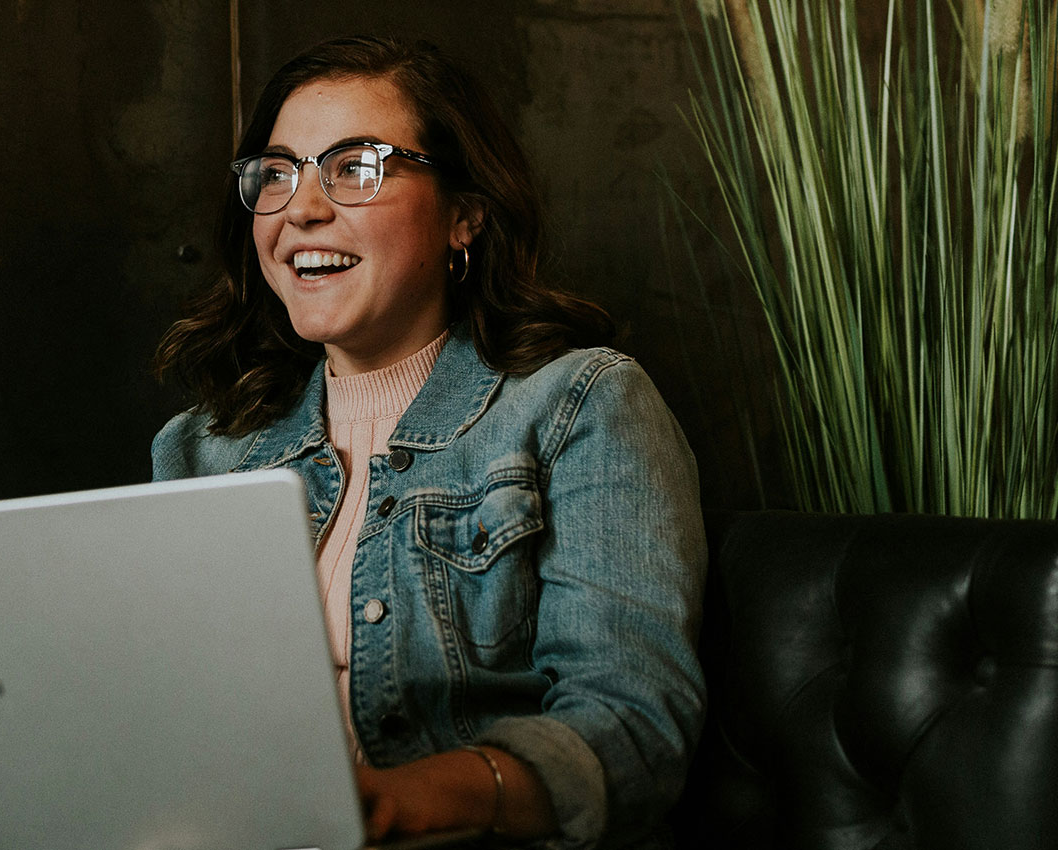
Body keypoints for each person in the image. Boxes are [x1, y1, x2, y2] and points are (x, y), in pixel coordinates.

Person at [151, 35, 705, 850]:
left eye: (353, 167)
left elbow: (629, 730)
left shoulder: (581, 402)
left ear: (464, 215)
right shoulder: (200, 448)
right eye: (277, 173)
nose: (301, 206)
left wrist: (405, 802)